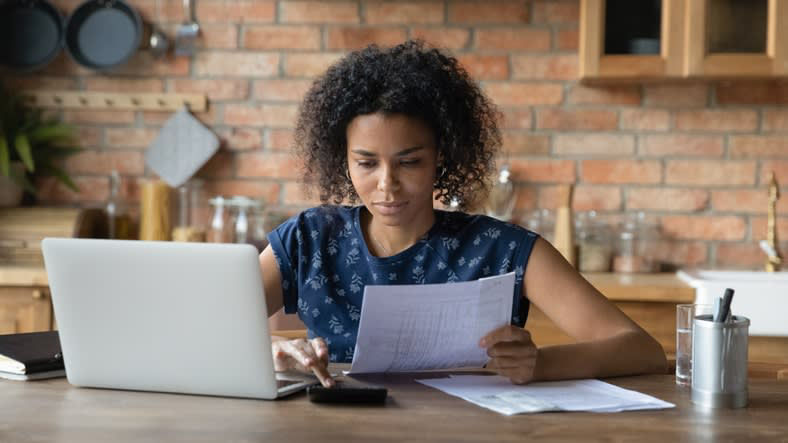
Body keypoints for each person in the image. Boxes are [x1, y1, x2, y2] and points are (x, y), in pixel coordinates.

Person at [259, 40, 667, 388]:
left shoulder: (502, 250)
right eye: (367, 163)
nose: (387, 184)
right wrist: (271, 351)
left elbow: (640, 350)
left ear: (442, 157)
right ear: (343, 161)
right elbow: (202, 328)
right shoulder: (308, 240)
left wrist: (541, 364)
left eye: (409, 162)